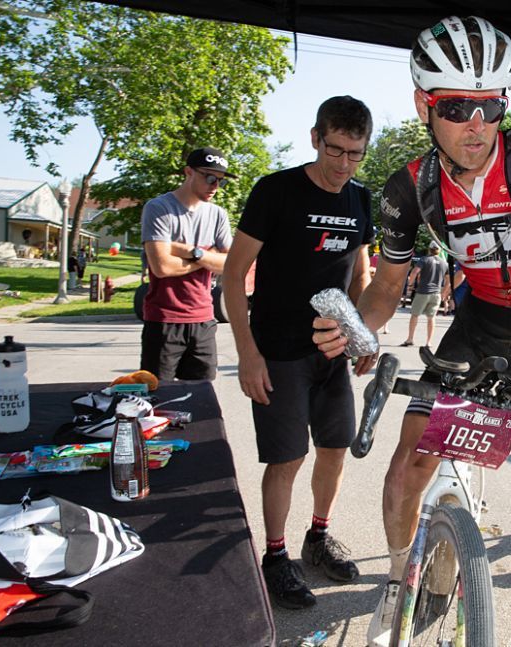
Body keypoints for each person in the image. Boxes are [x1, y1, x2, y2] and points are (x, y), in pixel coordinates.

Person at [313, 17, 511, 647]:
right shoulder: (411, 187)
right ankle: (403, 586)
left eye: (489, 106)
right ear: (426, 105)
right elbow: (385, 286)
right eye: (456, 107)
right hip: (477, 326)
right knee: (405, 469)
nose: (476, 124)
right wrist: (356, 331)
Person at [223, 96, 375, 610]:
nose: (344, 165)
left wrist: (358, 336)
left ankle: (317, 536)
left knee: (336, 448)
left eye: (356, 154)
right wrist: (248, 354)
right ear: (316, 138)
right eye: (336, 151)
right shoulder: (276, 190)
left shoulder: (361, 198)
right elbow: (232, 273)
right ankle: (275, 555)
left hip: (332, 354)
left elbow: (361, 273)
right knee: (287, 458)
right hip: (279, 351)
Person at [140, 147, 233, 381]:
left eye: (221, 181)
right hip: (164, 321)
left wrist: (193, 252)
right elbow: (162, 267)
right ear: (188, 172)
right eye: (210, 177)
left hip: (204, 320)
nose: (215, 186)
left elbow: (231, 265)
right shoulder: (159, 208)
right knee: (159, 402)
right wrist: (207, 258)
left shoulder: (218, 215)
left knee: (201, 402)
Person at [399, 240, 448, 347]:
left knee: (415, 315)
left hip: (423, 292)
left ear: (429, 249)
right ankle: (428, 342)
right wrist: (445, 292)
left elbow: (414, 271)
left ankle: (410, 339)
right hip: (436, 293)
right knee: (432, 317)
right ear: (439, 250)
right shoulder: (444, 263)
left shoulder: (424, 260)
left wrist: (410, 284)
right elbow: (448, 279)